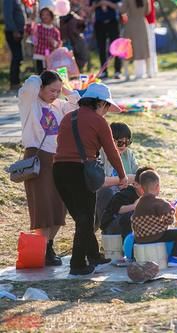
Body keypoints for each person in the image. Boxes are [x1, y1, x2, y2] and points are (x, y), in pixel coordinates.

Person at [53, 82, 127, 275]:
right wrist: (122, 176)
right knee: (84, 219)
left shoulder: (68, 117)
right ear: (100, 103)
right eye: (107, 107)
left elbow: (61, 144)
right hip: (81, 171)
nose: (107, 111)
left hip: (59, 170)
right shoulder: (99, 121)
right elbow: (111, 152)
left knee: (81, 218)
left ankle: (93, 255)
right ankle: (77, 264)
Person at [18, 71, 80, 266]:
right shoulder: (30, 103)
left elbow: (76, 103)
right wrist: (46, 71)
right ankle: (42, 250)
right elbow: (30, 84)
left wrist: (63, 87)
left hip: (57, 158)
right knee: (43, 207)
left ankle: (48, 246)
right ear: (41, 87)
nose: (55, 94)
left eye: (57, 90)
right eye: (51, 90)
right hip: (37, 158)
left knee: (58, 206)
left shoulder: (58, 106)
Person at [131, 170, 177, 266]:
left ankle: (133, 258)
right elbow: (169, 220)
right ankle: (174, 258)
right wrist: (171, 209)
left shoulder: (139, 203)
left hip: (139, 238)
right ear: (157, 186)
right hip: (156, 236)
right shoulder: (159, 202)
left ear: (142, 187)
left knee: (134, 235)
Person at [95, 122, 138, 229]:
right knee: (107, 191)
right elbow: (99, 181)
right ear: (110, 140)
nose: (124, 146)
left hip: (123, 194)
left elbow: (137, 175)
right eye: (120, 142)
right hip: (102, 194)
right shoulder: (100, 153)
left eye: (127, 142)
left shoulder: (129, 154)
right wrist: (123, 180)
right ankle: (110, 226)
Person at [100, 166, 153, 238]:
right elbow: (117, 209)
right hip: (111, 226)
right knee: (133, 215)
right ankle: (128, 243)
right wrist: (134, 206)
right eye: (146, 186)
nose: (149, 190)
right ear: (136, 184)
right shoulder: (126, 193)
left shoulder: (147, 197)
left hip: (125, 226)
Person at [90, 0, 122, 79]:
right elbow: (90, 8)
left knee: (116, 47)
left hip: (112, 22)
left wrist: (108, 3)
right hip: (99, 23)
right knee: (101, 48)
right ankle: (104, 71)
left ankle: (117, 71)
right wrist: (99, 4)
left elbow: (120, 7)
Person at [25, 4, 62, 74]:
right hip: (39, 56)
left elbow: (58, 44)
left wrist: (53, 42)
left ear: (51, 16)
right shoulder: (38, 28)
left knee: (50, 75)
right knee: (40, 74)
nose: (45, 17)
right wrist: (31, 18)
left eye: (47, 15)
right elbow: (28, 30)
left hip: (51, 57)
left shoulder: (55, 31)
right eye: (43, 15)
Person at [121, 0, 151, 79]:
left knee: (128, 48)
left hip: (130, 24)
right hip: (142, 23)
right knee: (144, 47)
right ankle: (149, 71)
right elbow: (148, 11)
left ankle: (126, 73)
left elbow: (122, 10)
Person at [59, 0, 89, 72]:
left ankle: (80, 71)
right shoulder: (60, 14)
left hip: (77, 39)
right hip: (66, 40)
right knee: (67, 60)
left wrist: (75, 17)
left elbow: (83, 24)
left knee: (81, 58)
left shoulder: (77, 12)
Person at [3, 0, 25, 91]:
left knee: (19, 57)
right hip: (13, 32)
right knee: (17, 56)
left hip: (18, 32)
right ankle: (14, 83)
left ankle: (16, 81)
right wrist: (14, 30)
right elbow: (7, 15)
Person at [145, 0, 158, 77]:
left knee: (151, 47)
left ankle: (152, 70)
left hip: (149, 21)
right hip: (138, 21)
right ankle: (147, 70)